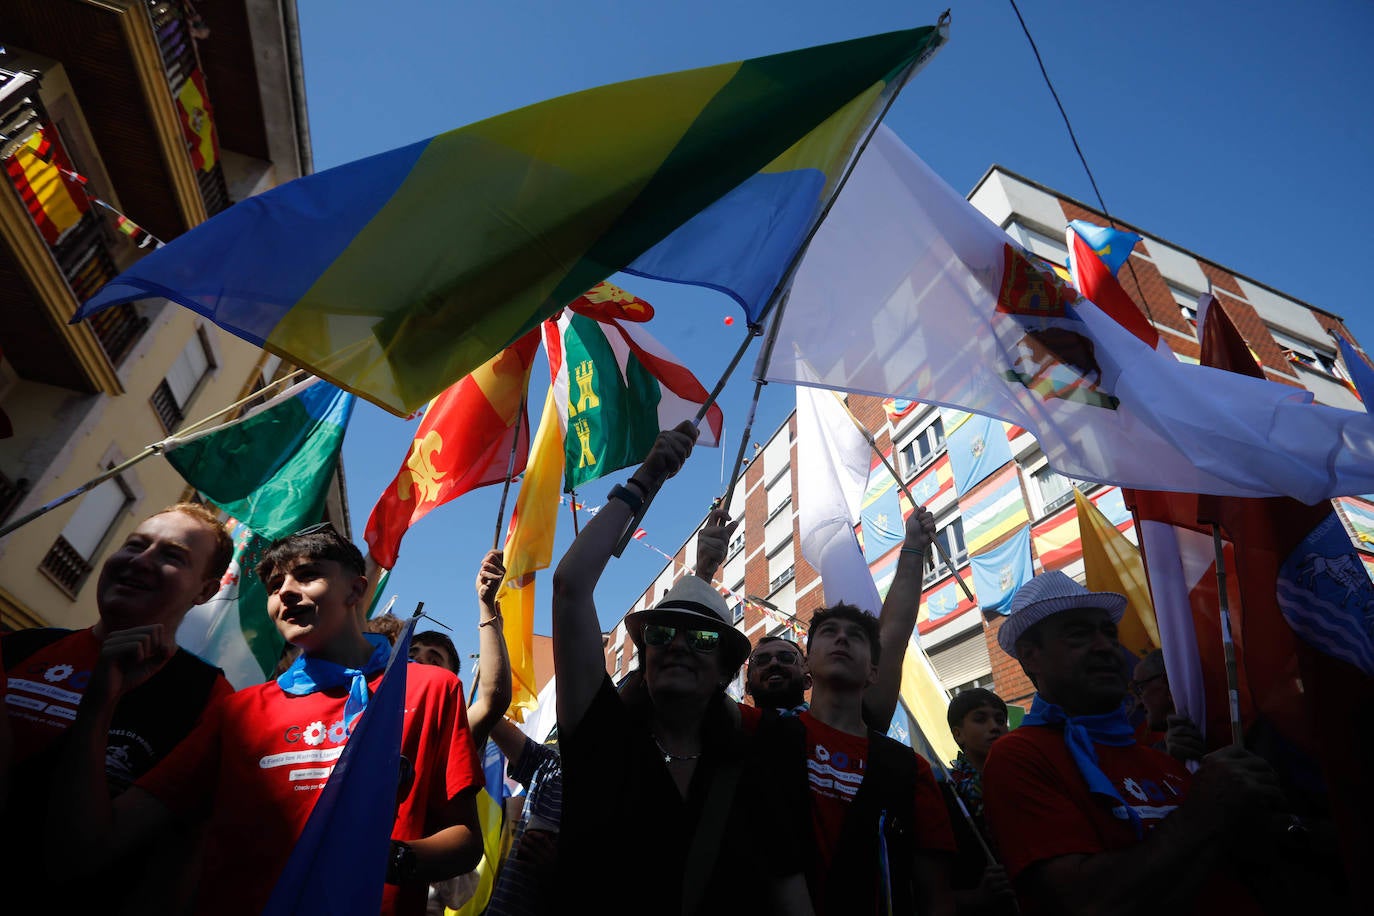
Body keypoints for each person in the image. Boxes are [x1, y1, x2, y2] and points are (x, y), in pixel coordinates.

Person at [51, 523, 484, 915]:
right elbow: (101, 840)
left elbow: (464, 840)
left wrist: (388, 859)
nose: (286, 593)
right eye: (275, 586)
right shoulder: (239, 710)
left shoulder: (428, 688)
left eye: (308, 575)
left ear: (356, 590)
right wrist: (99, 705)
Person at [552, 421, 812, 914]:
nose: (677, 646)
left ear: (725, 671)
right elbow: (569, 585)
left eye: (702, 638)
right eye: (661, 632)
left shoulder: (752, 765)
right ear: (644, 657)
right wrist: (647, 478)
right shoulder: (599, 730)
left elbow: (788, 889)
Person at [981, 571, 1289, 915]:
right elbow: (1086, 902)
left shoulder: (1162, 760)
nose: (1106, 646)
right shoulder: (1019, 757)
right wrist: (1204, 809)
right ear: (1031, 655)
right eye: (1079, 635)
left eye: (1109, 633)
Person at [3, 503, 234, 907]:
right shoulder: (16, 649)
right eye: (135, 545)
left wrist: (98, 706)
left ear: (205, 591)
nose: (140, 562)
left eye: (171, 556)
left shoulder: (209, 700)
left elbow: (85, 859)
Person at [755, 603, 956, 915]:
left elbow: (936, 897)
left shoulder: (910, 768)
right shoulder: (760, 737)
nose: (842, 639)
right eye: (829, 632)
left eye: (857, 636)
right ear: (806, 665)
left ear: (874, 672)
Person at [693, 506, 812, 714]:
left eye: (786, 658)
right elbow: (692, 679)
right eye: (762, 660)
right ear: (746, 687)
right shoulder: (732, 729)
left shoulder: (837, 730)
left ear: (807, 679)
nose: (774, 663)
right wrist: (703, 572)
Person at [943, 688, 1016, 914]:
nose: (994, 727)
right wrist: (976, 897)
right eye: (980, 719)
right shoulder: (946, 794)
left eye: (1000, 719)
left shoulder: (1025, 782)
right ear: (958, 734)